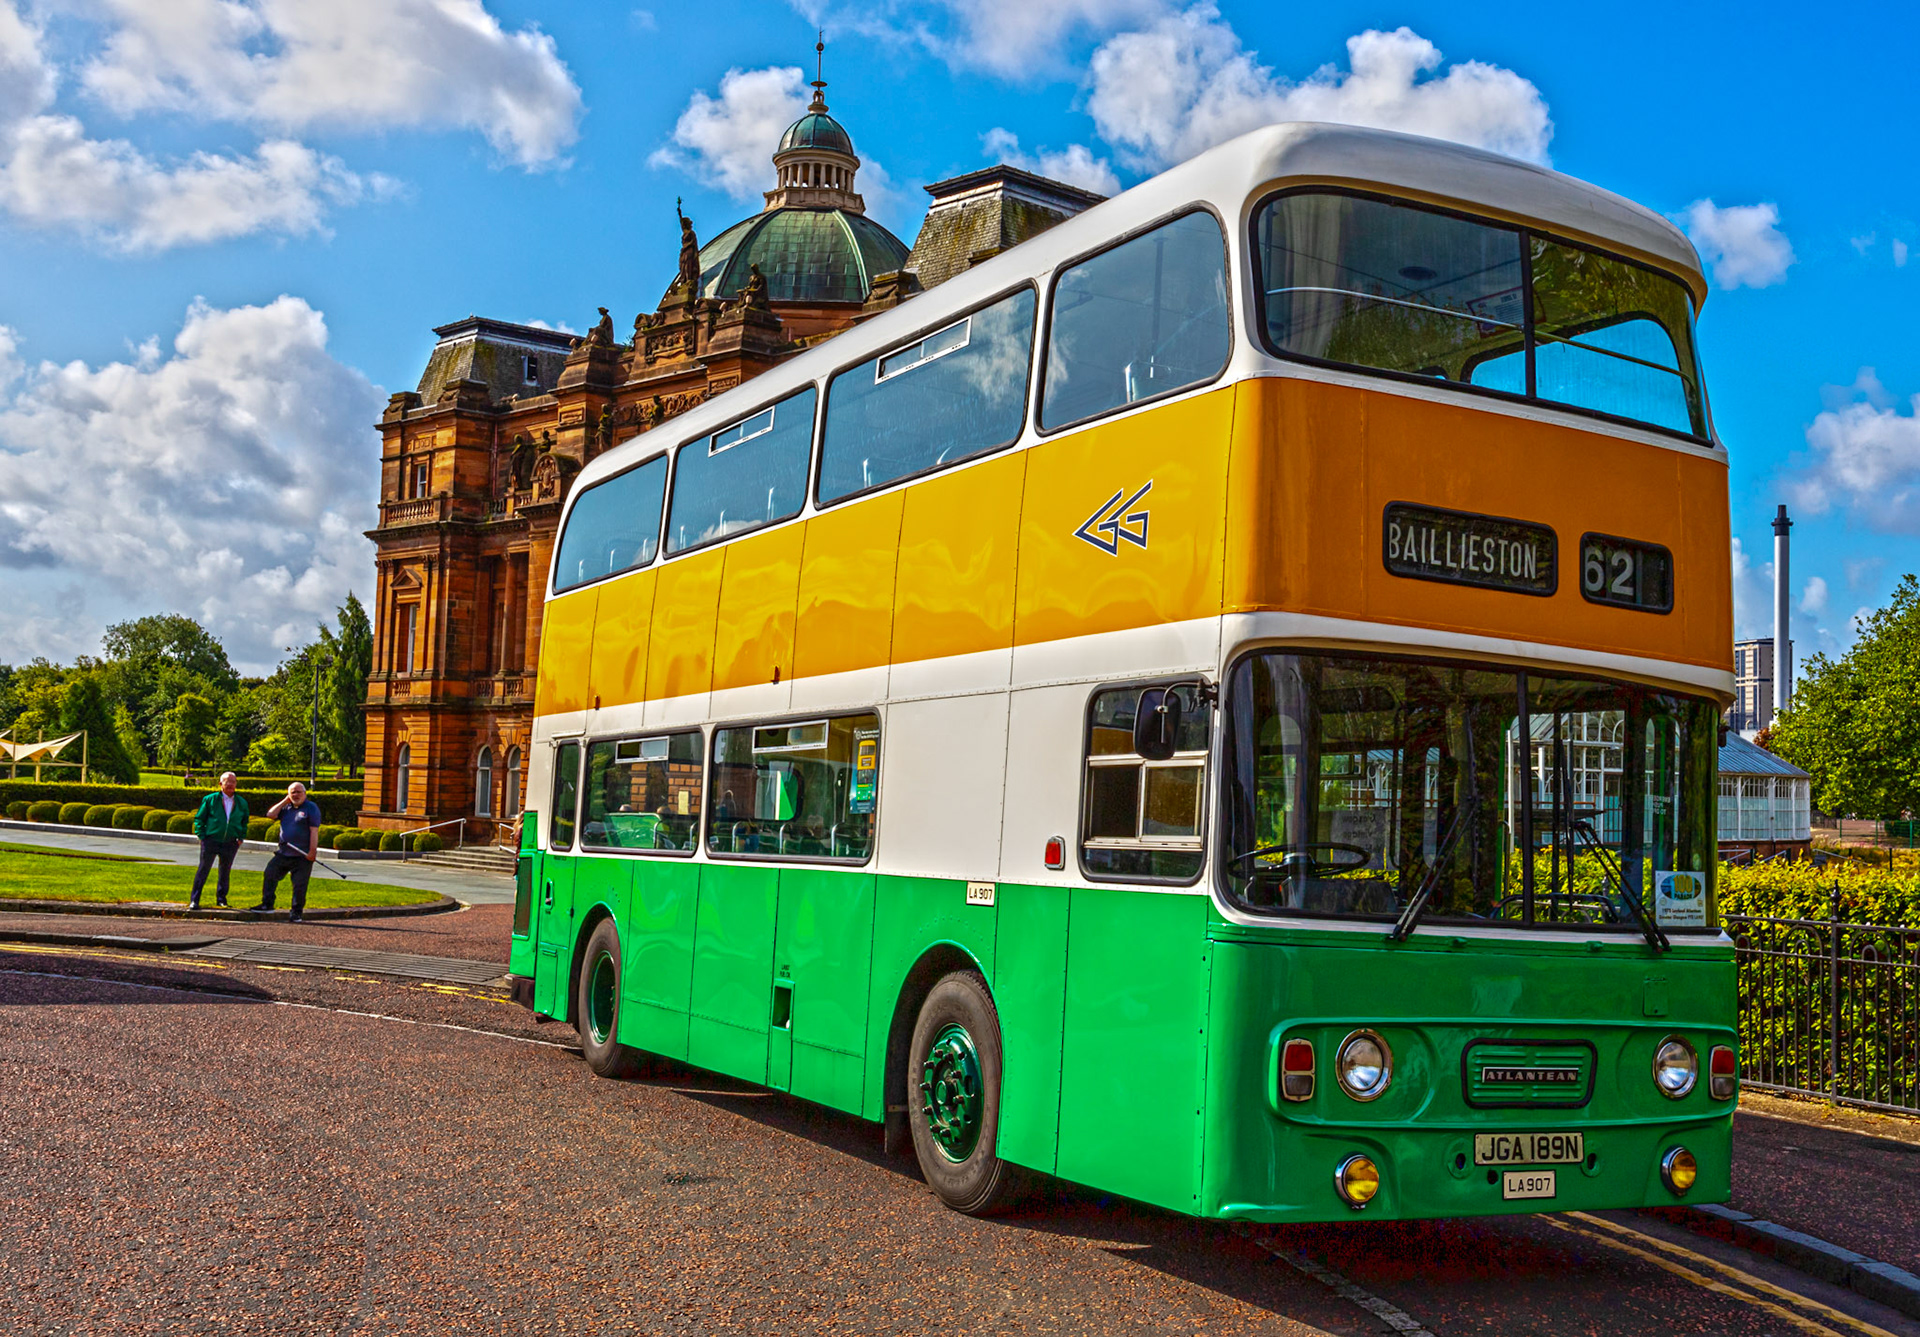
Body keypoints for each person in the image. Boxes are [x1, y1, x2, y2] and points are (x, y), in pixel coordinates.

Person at [248, 782, 322, 923]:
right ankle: (267, 904)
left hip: (302, 856)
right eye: (292, 792)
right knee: (269, 874)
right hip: (284, 853)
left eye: (299, 792)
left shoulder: (311, 808)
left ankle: (296, 913)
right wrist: (285, 800)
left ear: (305, 793)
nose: (296, 795)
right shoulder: (286, 807)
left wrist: (312, 852)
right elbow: (270, 814)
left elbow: (314, 831)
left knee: (299, 885)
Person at [188, 772, 249, 910]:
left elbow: (244, 821)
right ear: (220, 784)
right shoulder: (210, 799)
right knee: (203, 869)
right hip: (211, 840)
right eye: (227, 781)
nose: (230, 784)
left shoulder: (241, 802)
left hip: (230, 842)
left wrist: (241, 837)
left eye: (233, 782)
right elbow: (199, 818)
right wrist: (201, 835)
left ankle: (221, 899)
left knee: (225, 871)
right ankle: (195, 900)